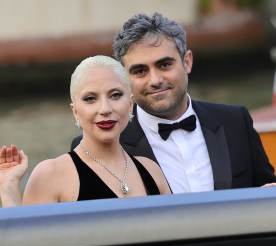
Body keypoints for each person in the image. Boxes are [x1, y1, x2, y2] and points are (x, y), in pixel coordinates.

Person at [71, 12, 276, 193]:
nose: (155, 80)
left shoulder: (235, 121)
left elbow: (267, 192)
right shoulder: (98, 143)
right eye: (140, 70)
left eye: (165, 64)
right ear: (124, 78)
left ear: (187, 62)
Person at [0, 55, 171, 207]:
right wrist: (7, 188)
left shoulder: (151, 170)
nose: (105, 109)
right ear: (75, 111)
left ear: (130, 104)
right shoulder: (50, 175)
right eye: (90, 99)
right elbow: (28, 240)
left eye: (115, 95)